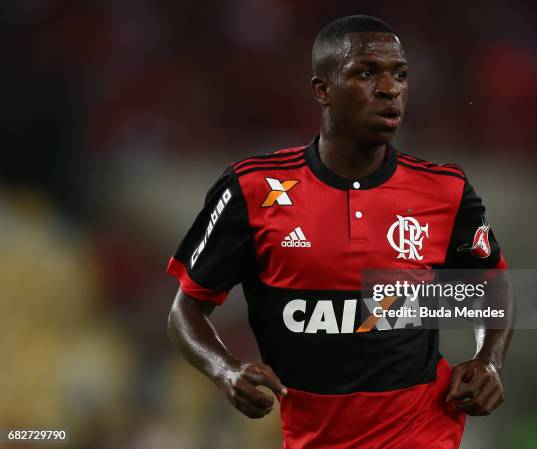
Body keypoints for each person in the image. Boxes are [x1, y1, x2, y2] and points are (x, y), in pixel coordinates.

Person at [166, 15, 513, 449]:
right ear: (322, 90)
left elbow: (490, 285)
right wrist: (226, 369)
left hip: (423, 431)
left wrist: (488, 360)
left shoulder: (445, 189)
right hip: (313, 437)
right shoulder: (253, 188)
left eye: (400, 75)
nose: (390, 89)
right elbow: (186, 312)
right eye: (366, 73)